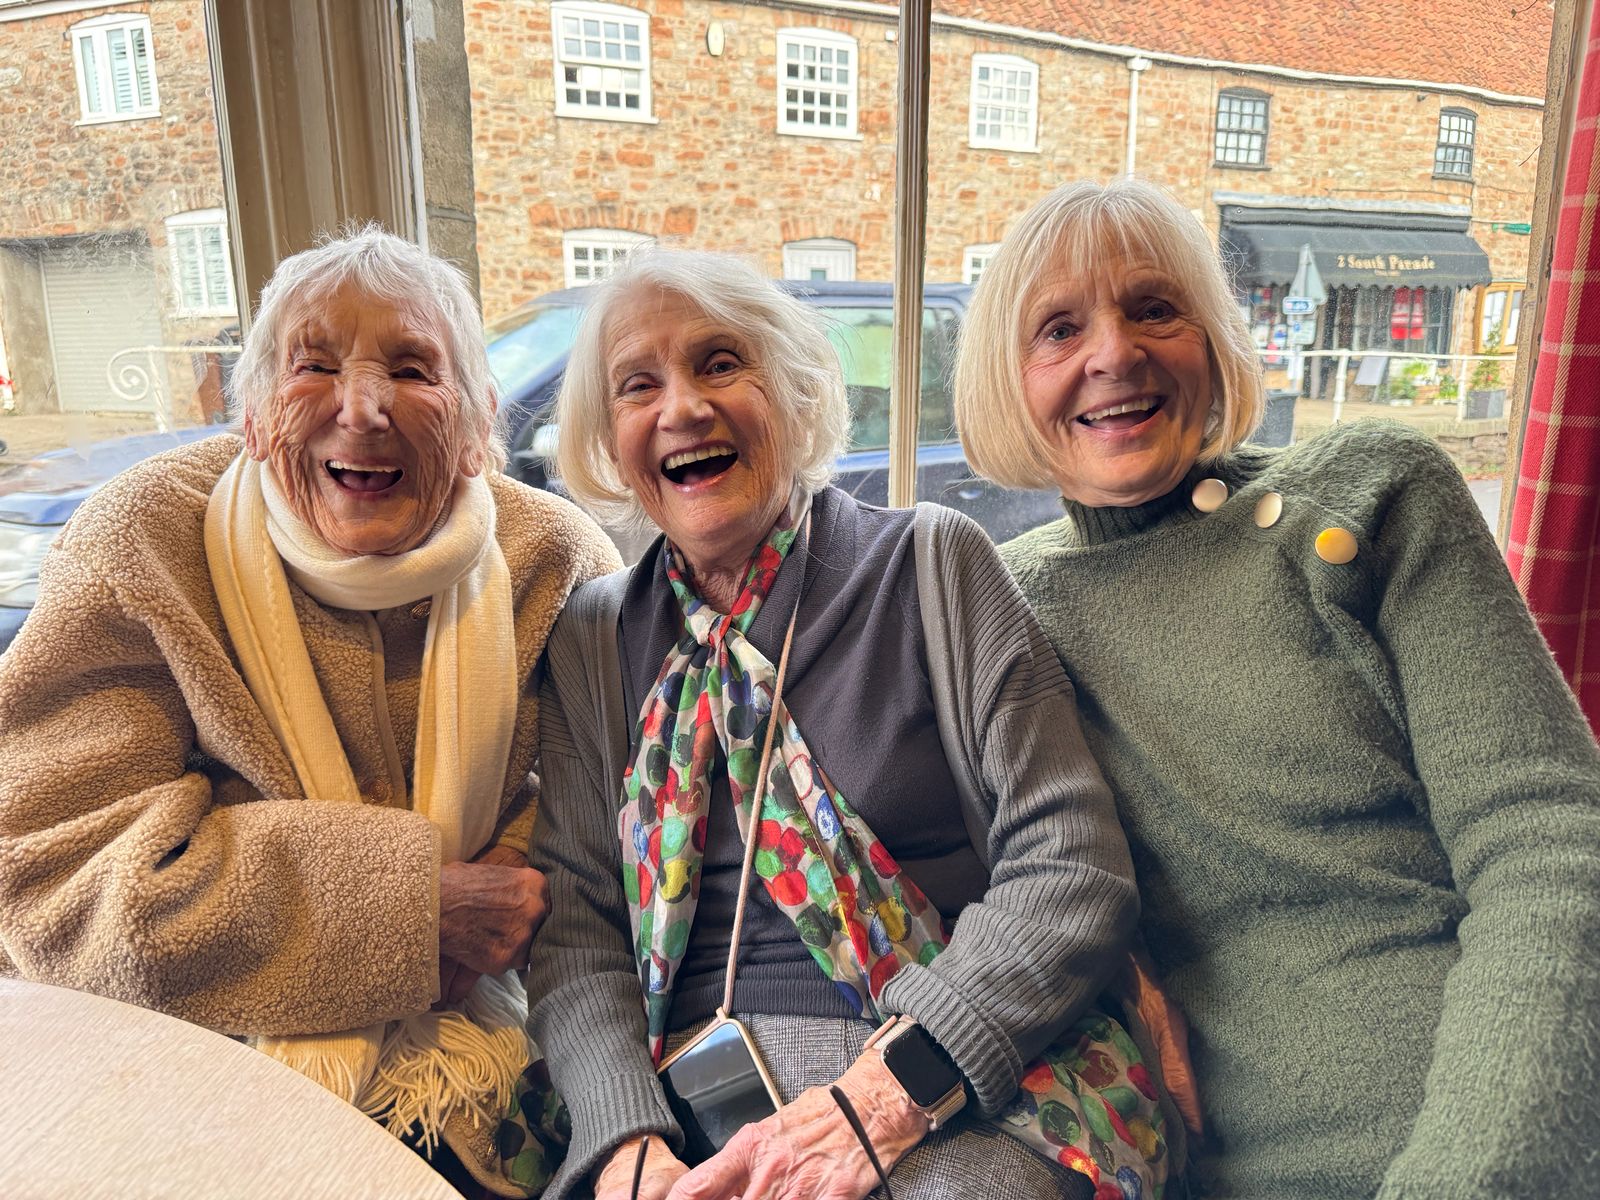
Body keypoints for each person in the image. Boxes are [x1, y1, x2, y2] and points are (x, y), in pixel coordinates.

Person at [954, 176, 1600, 1200]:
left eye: (1153, 308)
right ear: (1006, 380)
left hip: (1501, 1124)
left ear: (1212, 339)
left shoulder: (1369, 493)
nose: (1113, 353)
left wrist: (1471, 1172)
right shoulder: (1001, 605)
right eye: (1057, 329)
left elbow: (1552, 845)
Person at [527, 249, 1181, 1200]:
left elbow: (1072, 864)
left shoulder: (930, 565)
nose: (682, 409)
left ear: (792, 397)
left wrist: (890, 1093)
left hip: (949, 1071)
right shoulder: (593, 637)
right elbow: (577, 929)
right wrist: (627, 1145)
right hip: (676, 1102)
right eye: (639, 386)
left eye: (720, 365)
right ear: (608, 438)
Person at [0, 228, 620, 1197]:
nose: (361, 410)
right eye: (313, 365)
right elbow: (55, 880)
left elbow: (622, 822)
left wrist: (528, 865)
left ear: (478, 424)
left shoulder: (561, 561)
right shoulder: (141, 543)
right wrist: (418, 910)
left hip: (504, 1067)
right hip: (193, 1072)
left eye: (412, 369)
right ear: (251, 415)